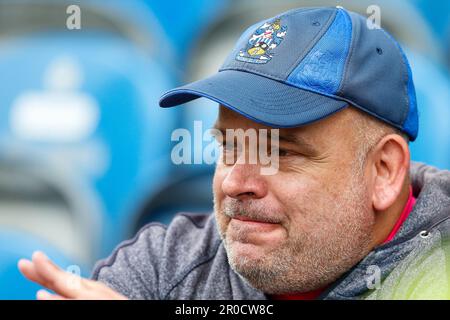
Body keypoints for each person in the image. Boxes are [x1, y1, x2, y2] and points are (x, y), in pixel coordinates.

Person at [18, 6, 450, 300]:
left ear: (384, 170)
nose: (236, 183)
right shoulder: (167, 266)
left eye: (279, 152)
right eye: (228, 146)